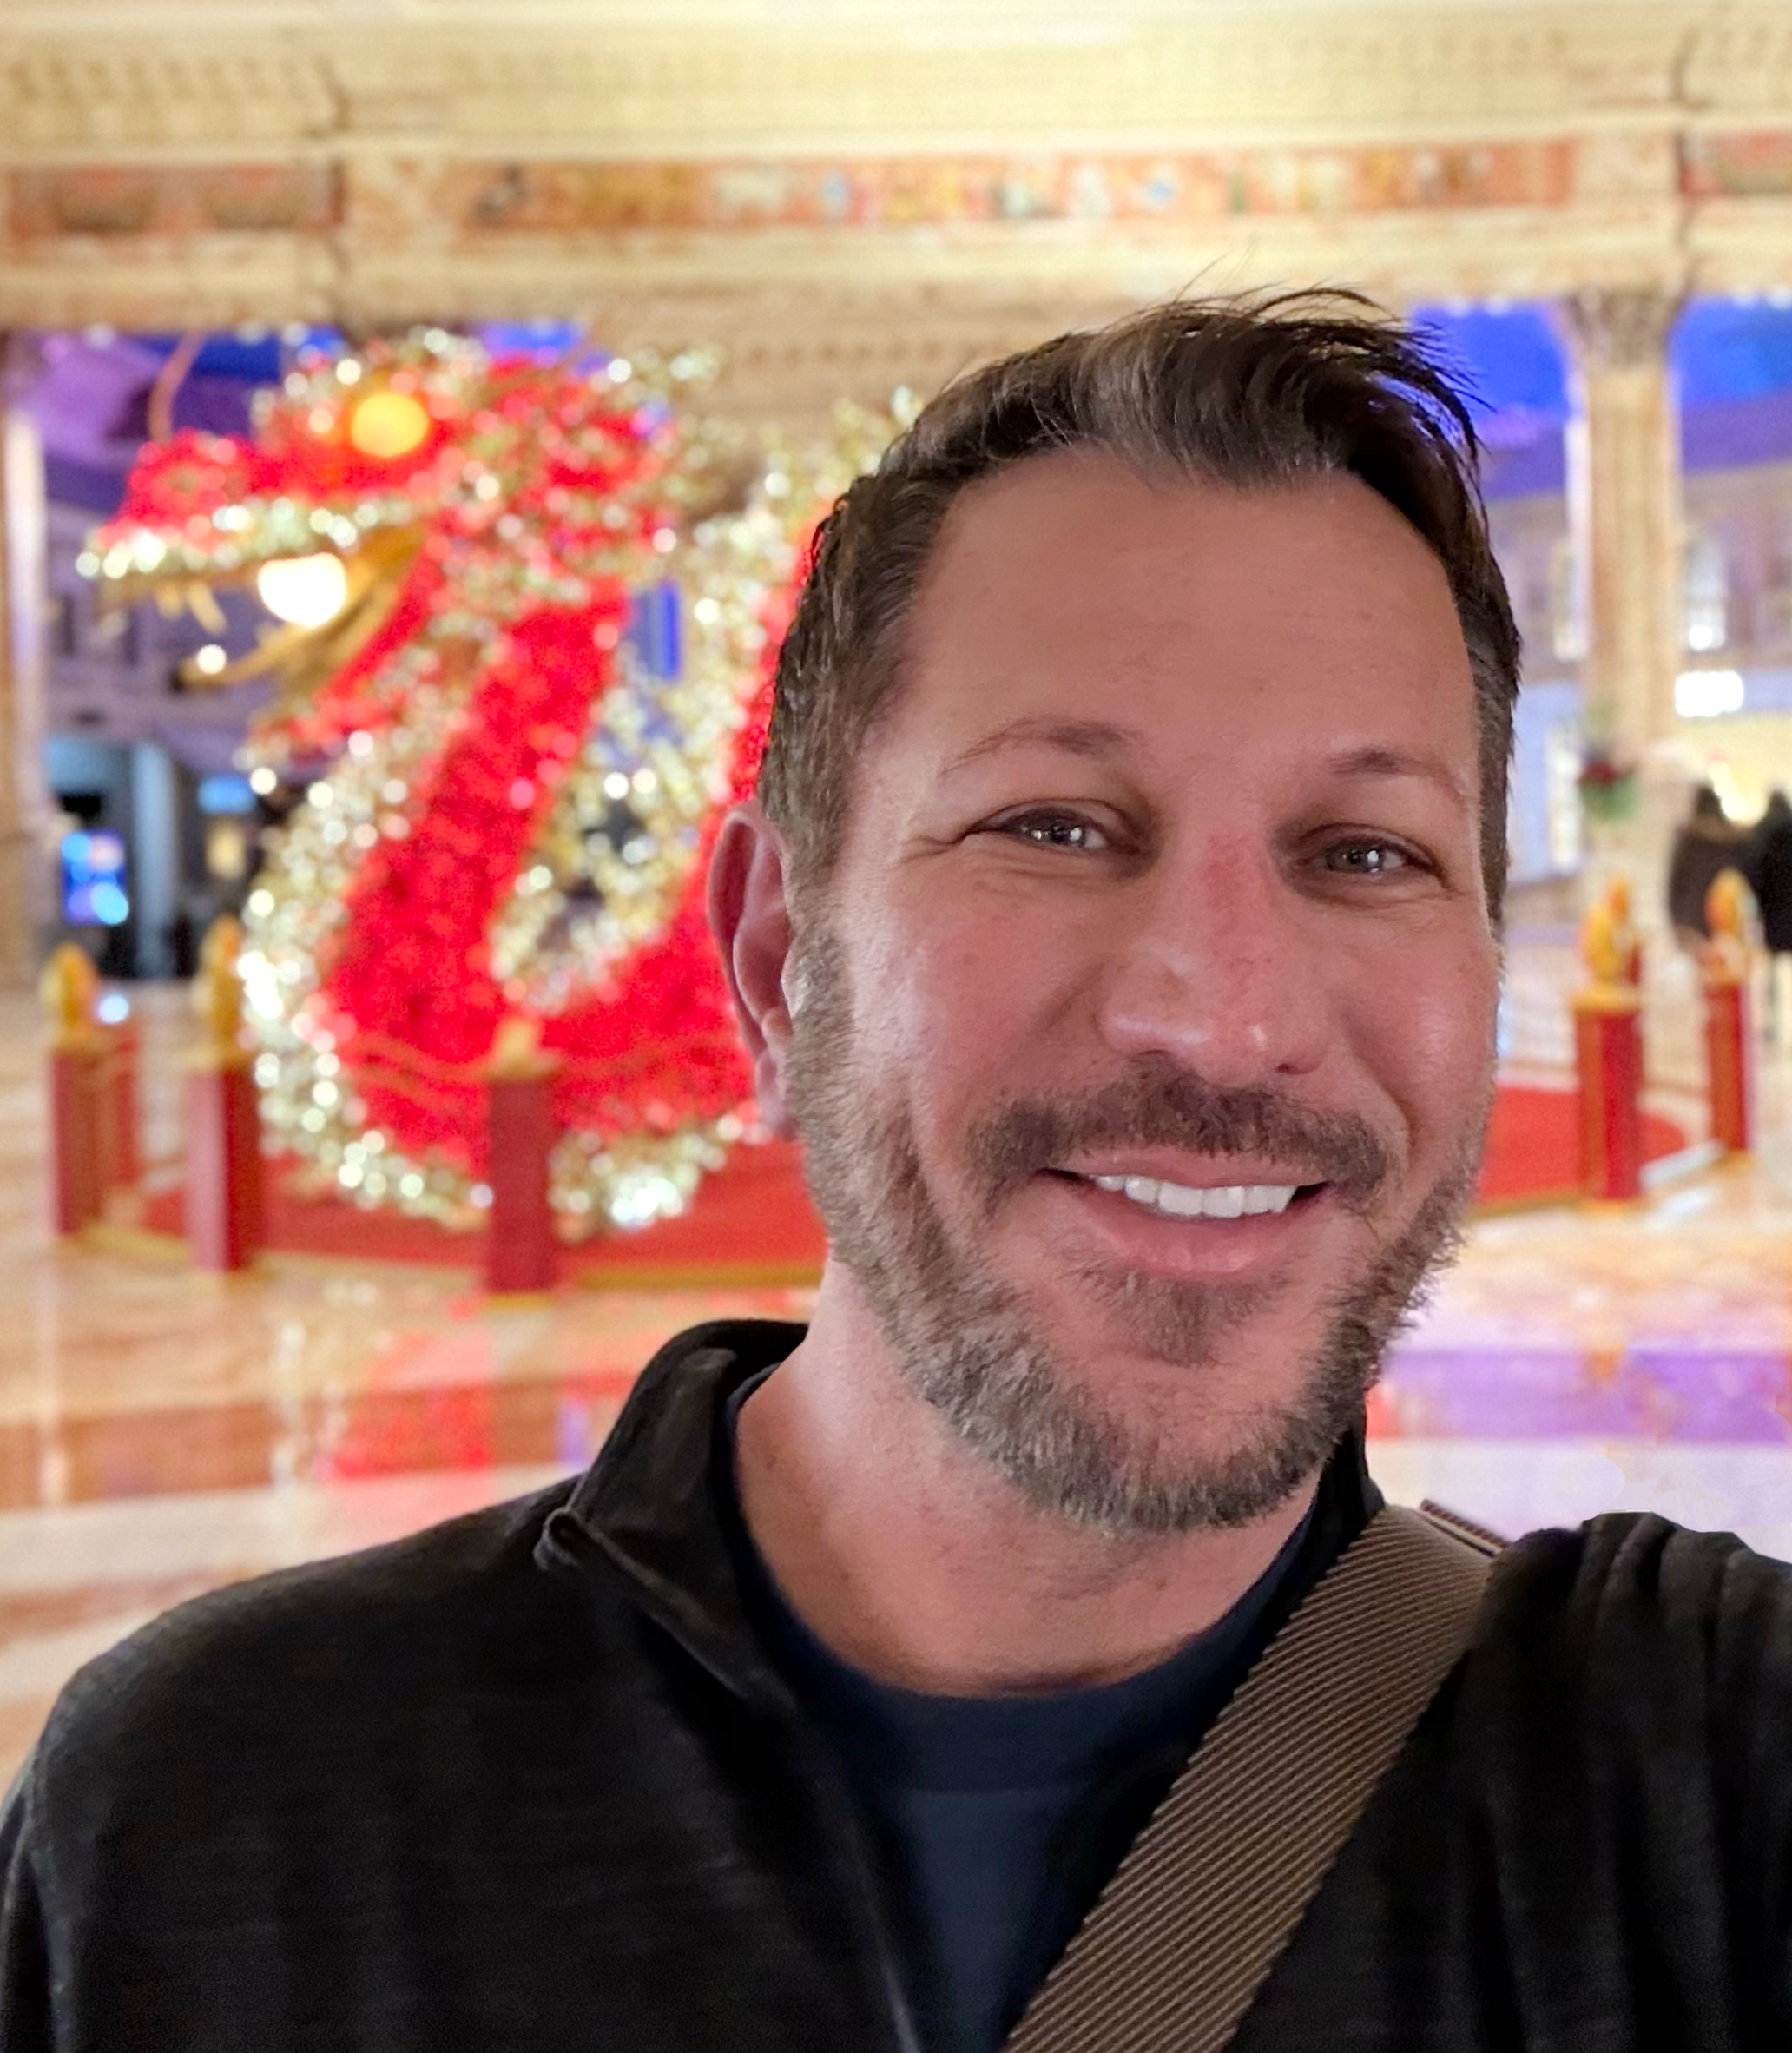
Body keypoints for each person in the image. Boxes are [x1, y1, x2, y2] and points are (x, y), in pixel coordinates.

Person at [4, 294, 1791, 2053]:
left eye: (1365, 850)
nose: (1223, 1020)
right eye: (1055, 827)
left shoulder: (1693, 1764)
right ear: (779, 959)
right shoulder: (214, 1817)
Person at [1667, 781, 1749, 948]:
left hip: (1691, 919)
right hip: (1728, 919)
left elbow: (1676, 882)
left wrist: (1677, 920)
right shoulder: (1734, 838)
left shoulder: (1689, 837)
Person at [1749, 786, 1792, 1043]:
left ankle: (1774, 1025)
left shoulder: (1762, 832)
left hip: (1773, 914)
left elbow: (1754, 874)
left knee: (1772, 972)